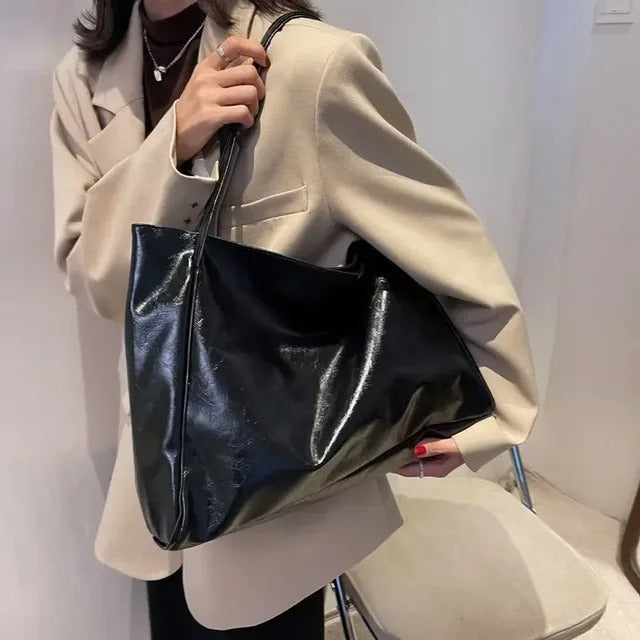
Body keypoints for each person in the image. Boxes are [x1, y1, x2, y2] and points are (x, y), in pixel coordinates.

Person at [50, 0, 539, 638]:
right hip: (155, 483)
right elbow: (94, 279)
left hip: (280, 503)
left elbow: (448, 246)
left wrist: (491, 409)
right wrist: (173, 144)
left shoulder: (313, 65)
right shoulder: (81, 78)